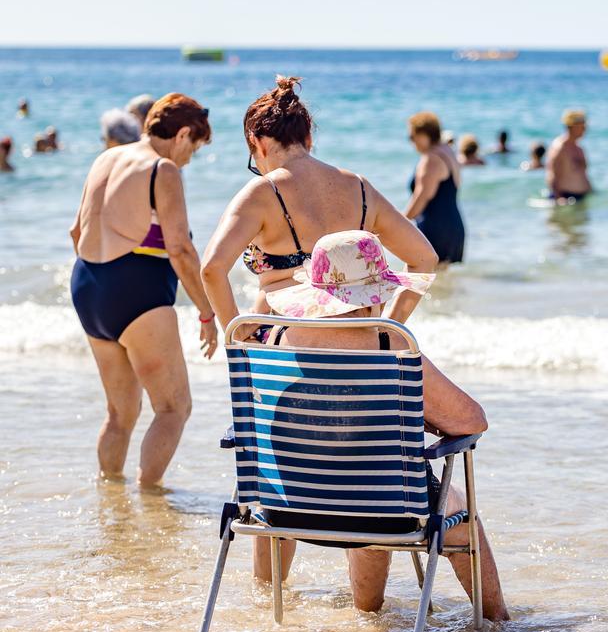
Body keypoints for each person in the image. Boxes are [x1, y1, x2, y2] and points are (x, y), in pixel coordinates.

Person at [250, 230, 510, 620]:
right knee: (451, 509)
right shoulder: (389, 346)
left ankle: (369, 615)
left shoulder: (275, 342)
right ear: (376, 294)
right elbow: (472, 421)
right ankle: (497, 623)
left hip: (287, 508)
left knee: (364, 479)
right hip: (382, 512)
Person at [202, 76, 439, 339]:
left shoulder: (262, 192)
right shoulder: (359, 188)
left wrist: (236, 333)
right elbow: (424, 259)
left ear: (257, 143)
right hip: (359, 337)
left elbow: (212, 268)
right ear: (308, 139)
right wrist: (388, 330)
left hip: (283, 338)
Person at [68, 93, 217, 486]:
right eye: (194, 149)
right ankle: (150, 501)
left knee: (120, 413)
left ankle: (110, 495)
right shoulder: (162, 169)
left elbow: (76, 232)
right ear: (183, 134)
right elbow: (181, 250)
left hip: (87, 286)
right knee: (173, 407)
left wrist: (105, 283)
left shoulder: (106, 158)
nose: (189, 159)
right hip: (137, 290)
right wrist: (207, 312)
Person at [402, 111, 467, 264]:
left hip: (435, 230)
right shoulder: (447, 151)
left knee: (426, 284)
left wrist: (397, 223)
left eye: (412, 137)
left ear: (424, 135)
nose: (412, 142)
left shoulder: (431, 159)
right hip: (453, 226)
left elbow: (422, 197)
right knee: (441, 283)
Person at [546, 109, 591, 201]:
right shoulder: (559, 147)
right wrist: (558, 198)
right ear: (572, 126)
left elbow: (583, 174)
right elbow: (552, 174)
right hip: (565, 197)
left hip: (580, 197)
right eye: (582, 126)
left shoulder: (579, 148)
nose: (585, 129)